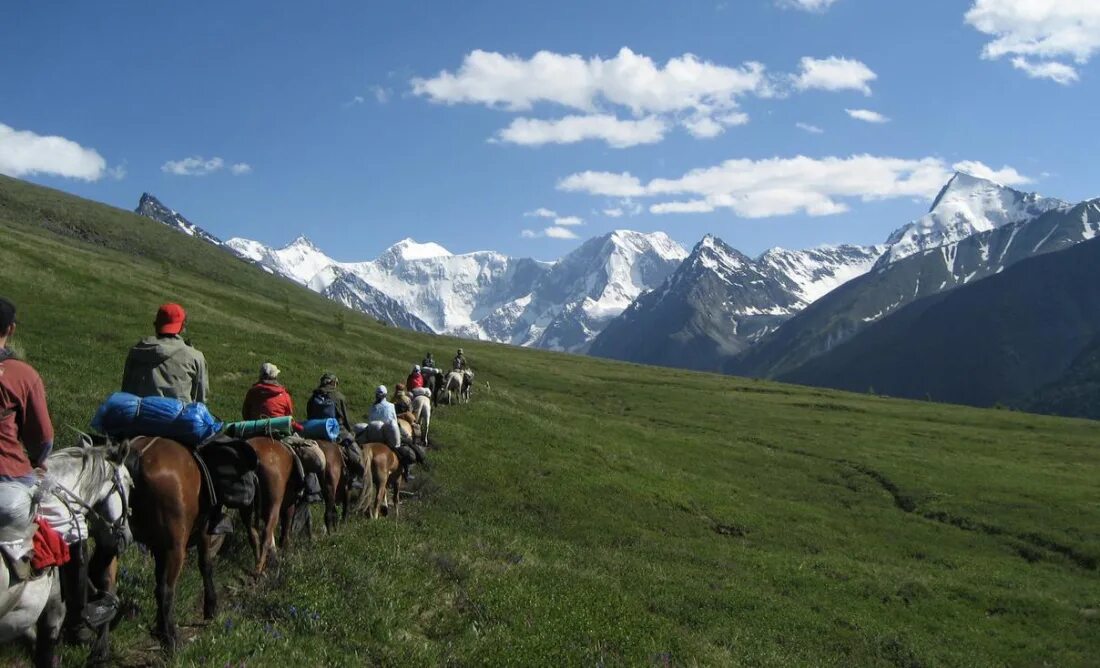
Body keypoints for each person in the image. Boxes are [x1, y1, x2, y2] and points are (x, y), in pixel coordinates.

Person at [0, 297, 54, 565]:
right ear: (10, 329)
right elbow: (44, 439)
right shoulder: (22, 375)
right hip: (8, 479)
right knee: (59, 521)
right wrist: (36, 462)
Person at [121, 303, 209, 404]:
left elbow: (125, 393)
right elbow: (200, 401)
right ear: (182, 327)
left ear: (156, 325)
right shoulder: (195, 357)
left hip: (138, 417)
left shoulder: (136, 351)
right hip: (178, 418)